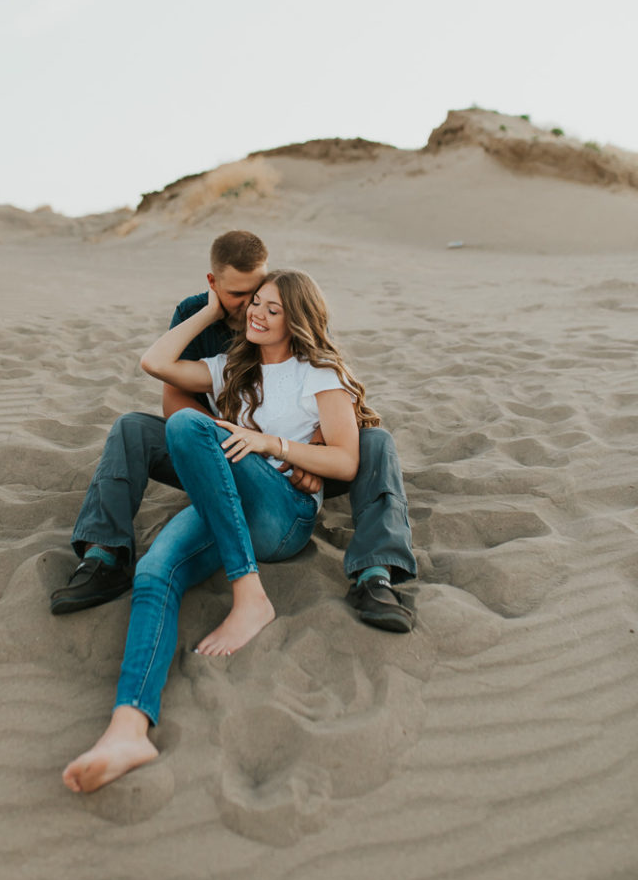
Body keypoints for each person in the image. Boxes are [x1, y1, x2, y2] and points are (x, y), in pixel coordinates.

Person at [63, 269, 384, 792]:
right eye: (255, 302)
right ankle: (128, 730)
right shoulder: (230, 367)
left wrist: (271, 445)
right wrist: (212, 310)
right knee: (153, 573)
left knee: (188, 425)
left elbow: (346, 460)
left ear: (297, 319)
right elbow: (155, 364)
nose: (256, 312)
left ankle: (249, 593)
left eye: (272, 308)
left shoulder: (320, 373)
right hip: (229, 511)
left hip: (285, 513)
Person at [50, 230, 416, 630]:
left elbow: (327, 399)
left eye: (259, 293)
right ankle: (104, 555)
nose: (251, 307)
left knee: (376, 441)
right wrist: (222, 444)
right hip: (222, 454)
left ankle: (375, 574)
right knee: (130, 428)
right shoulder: (205, 328)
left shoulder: (288, 321)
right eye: (242, 297)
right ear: (212, 285)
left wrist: (301, 445)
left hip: (285, 478)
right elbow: (170, 395)